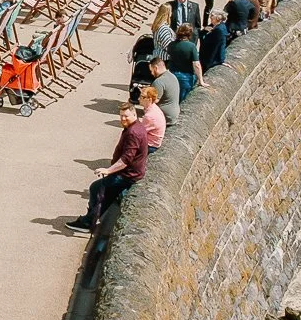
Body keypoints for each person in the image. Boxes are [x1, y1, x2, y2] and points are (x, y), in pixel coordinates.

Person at [68, 104, 148, 232]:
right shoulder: (135, 127)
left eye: (126, 116)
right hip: (130, 172)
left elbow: (126, 159)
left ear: (134, 115)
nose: (123, 119)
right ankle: (92, 218)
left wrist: (108, 170)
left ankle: (88, 223)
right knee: (104, 192)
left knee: (97, 188)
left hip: (127, 175)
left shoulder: (133, 133)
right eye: (121, 116)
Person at [166, 24, 201, 97]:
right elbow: (196, 64)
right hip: (185, 77)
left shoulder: (171, 44)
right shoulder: (191, 46)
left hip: (172, 75)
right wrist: (201, 80)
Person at [133, 85, 166, 152]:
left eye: (142, 97)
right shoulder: (153, 108)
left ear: (149, 99)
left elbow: (139, 133)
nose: (139, 99)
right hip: (154, 141)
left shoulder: (149, 116)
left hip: (151, 145)